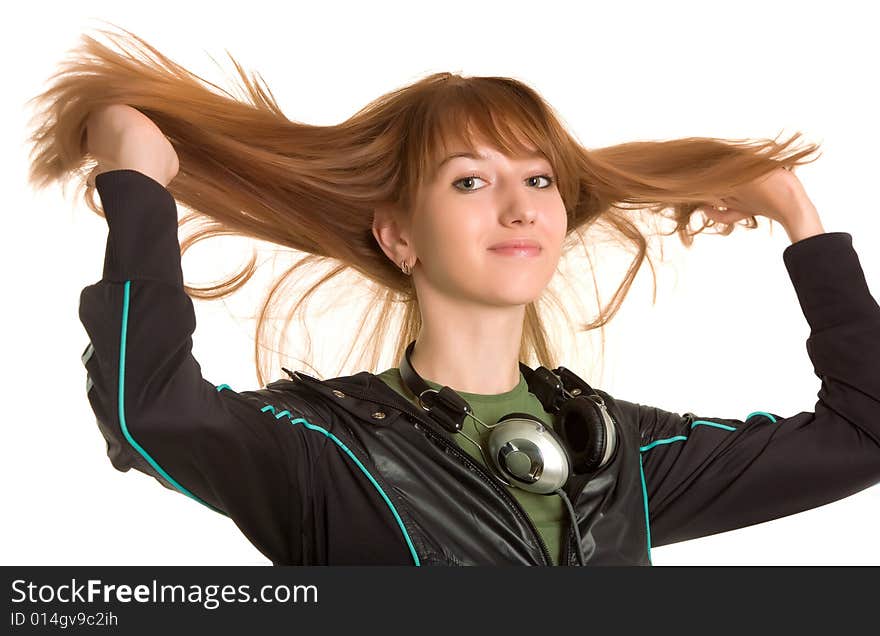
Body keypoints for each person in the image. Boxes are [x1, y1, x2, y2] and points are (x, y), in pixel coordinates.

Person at [26, 28, 880, 566]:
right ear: (399, 235)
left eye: (539, 178)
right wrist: (139, 184)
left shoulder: (618, 452)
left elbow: (866, 432)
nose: (519, 207)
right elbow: (149, 413)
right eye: (471, 180)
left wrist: (797, 216)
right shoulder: (328, 449)